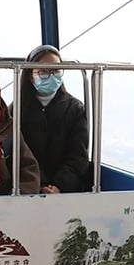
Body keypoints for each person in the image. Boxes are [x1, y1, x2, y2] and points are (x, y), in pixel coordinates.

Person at [15, 44, 89, 194]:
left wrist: (59, 186)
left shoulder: (74, 109)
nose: (51, 76)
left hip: (66, 191)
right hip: (28, 188)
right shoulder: (17, 109)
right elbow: (17, 154)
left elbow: (78, 155)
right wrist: (39, 184)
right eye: (43, 71)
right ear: (30, 75)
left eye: (56, 71)